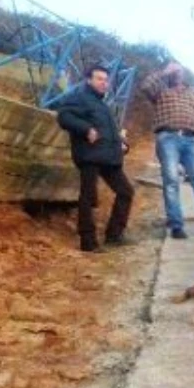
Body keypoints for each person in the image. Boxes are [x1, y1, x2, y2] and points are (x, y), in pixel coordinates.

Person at [55, 64, 135, 252]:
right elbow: (63, 116)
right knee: (88, 197)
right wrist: (86, 129)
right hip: (89, 154)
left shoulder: (102, 104)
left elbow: (108, 130)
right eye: (99, 79)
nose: (103, 83)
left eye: (106, 80)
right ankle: (88, 241)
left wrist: (121, 143)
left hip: (108, 156)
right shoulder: (80, 97)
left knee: (126, 192)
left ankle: (114, 235)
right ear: (88, 80)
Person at [141, 61, 194, 239]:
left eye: (178, 69)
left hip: (192, 140)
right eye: (173, 69)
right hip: (167, 138)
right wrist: (164, 72)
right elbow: (145, 86)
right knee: (171, 181)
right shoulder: (160, 92)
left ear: (184, 73)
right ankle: (176, 226)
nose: (176, 72)